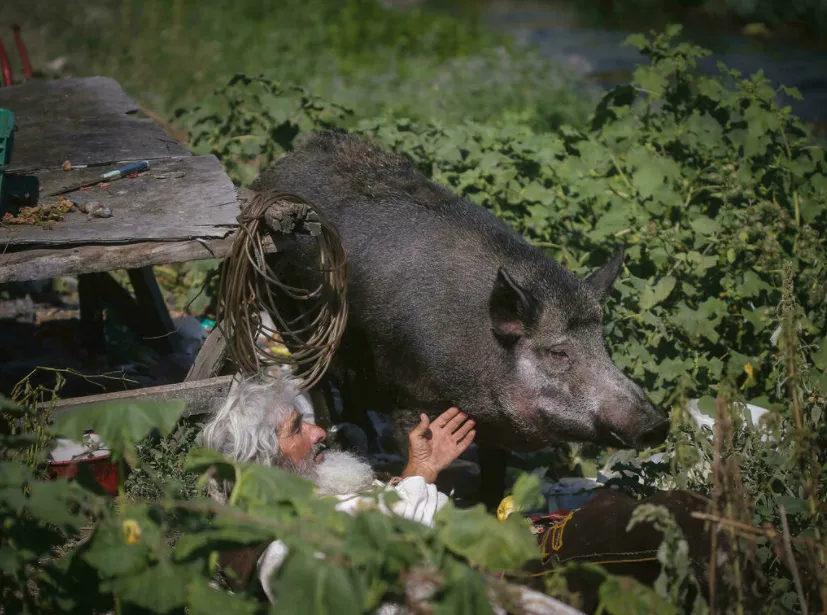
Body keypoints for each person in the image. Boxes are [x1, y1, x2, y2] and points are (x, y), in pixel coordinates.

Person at [197, 375, 477, 603]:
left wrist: (421, 470)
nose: (318, 431)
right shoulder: (285, 559)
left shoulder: (319, 502)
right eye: (296, 429)